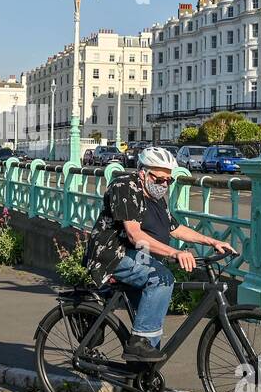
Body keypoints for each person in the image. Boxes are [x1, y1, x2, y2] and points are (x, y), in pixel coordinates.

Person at [85, 146, 236, 362]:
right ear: (143, 173)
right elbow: (135, 235)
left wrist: (212, 241)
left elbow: (175, 228)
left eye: (169, 181)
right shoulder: (124, 187)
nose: (164, 184)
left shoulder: (156, 198)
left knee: (150, 318)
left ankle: (144, 378)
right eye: (159, 179)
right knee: (162, 278)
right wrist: (176, 253)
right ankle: (137, 345)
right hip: (111, 255)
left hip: (139, 256)